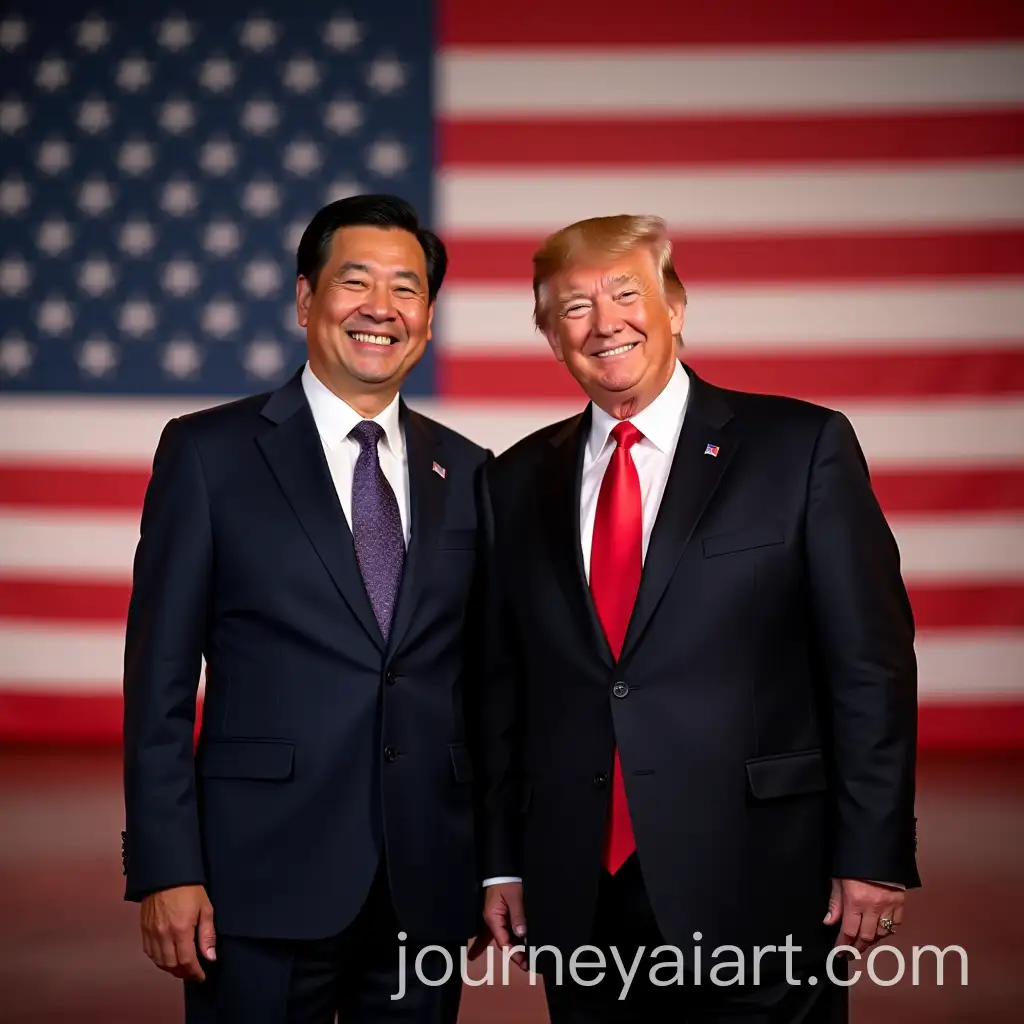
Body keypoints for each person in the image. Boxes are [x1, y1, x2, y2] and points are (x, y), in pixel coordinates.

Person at [472, 214, 920, 1021]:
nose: (604, 323)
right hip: (579, 887)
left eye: (626, 294)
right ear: (551, 337)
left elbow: (869, 665)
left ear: (675, 307)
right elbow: (503, 689)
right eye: (574, 307)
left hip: (763, 873)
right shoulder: (513, 481)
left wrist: (874, 850)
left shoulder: (800, 446)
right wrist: (502, 861)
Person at [121, 194, 489, 1023]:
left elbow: (484, 683)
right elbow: (158, 684)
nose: (381, 309)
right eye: (355, 282)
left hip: (426, 887)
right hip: (256, 882)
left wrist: (491, 861)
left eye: (406, 289)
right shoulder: (208, 454)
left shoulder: (470, 471)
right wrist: (166, 867)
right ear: (304, 299)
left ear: (428, 320)